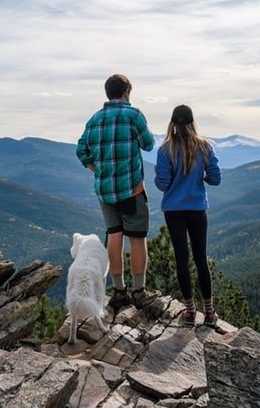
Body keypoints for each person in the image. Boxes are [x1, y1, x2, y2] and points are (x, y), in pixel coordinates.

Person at [76, 74, 156, 311]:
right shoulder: (133, 115)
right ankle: (139, 291)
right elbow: (149, 144)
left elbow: (81, 152)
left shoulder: (94, 120)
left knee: (114, 235)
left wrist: (97, 169)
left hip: (104, 191)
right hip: (131, 189)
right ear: (127, 92)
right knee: (138, 239)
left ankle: (119, 290)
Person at [154, 104, 222, 327]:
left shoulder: (165, 150)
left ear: (172, 123)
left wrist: (169, 180)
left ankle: (190, 311)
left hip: (174, 211)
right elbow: (215, 179)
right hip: (197, 208)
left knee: (181, 259)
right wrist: (199, 176)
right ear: (192, 122)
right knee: (201, 258)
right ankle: (210, 313)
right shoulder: (204, 146)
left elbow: (163, 184)